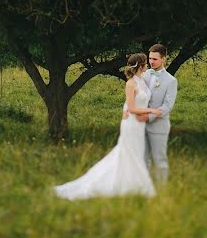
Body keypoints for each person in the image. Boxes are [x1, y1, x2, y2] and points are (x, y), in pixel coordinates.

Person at [54, 53, 162, 200]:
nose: (148, 65)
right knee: (129, 154)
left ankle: (131, 185)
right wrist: (151, 111)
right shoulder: (130, 84)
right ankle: (134, 187)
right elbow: (131, 107)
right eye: (145, 63)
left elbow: (136, 101)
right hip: (131, 124)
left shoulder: (143, 79)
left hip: (139, 124)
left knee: (136, 154)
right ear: (140, 65)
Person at [142, 43, 178, 182]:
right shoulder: (144, 75)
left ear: (163, 59)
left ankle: (161, 189)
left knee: (159, 159)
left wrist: (148, 117)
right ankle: (145, 187)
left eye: (155, 59)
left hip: (158, 126)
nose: (151, 62)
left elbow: (167, 106)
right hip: (140, 125)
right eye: (150, 58)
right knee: (143, 158)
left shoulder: (171, 81)